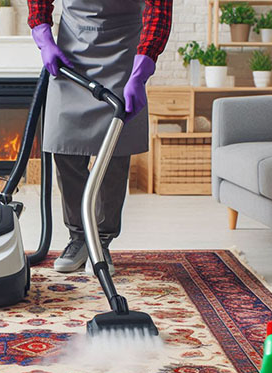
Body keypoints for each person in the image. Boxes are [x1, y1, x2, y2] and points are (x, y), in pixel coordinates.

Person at [28, 0, 172, 274]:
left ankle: (101, 240)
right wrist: (43, 36)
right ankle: (79, 236)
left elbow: (159, 11)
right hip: (72, 50)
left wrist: (141, 72)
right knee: (64, 147)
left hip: (123, 51)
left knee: (114, 154)